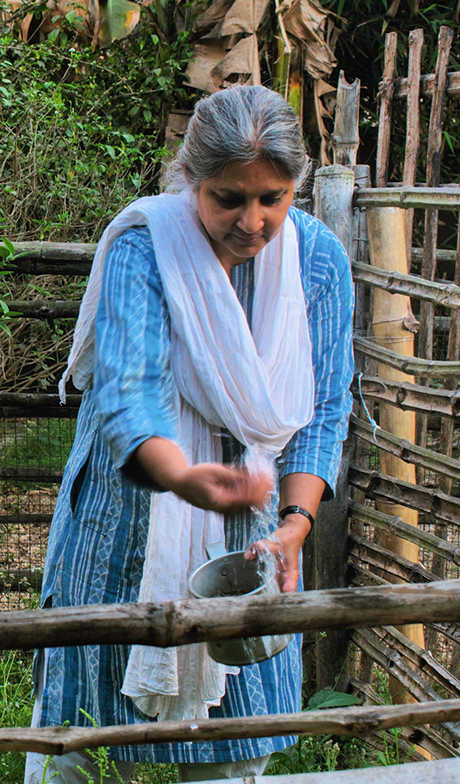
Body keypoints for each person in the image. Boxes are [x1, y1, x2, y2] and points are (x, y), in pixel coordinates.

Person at [26, 85, 354, 784]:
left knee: (236, 748)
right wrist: (178, 475)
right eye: (228, 198)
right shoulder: (144, 249)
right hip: (128, 516)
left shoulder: (319, 262)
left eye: (272, 197)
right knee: (78, 747)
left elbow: (323, 408)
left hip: (252, 528)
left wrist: (295, 524)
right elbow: (127, 393)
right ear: (189, 181)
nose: (252, 221)